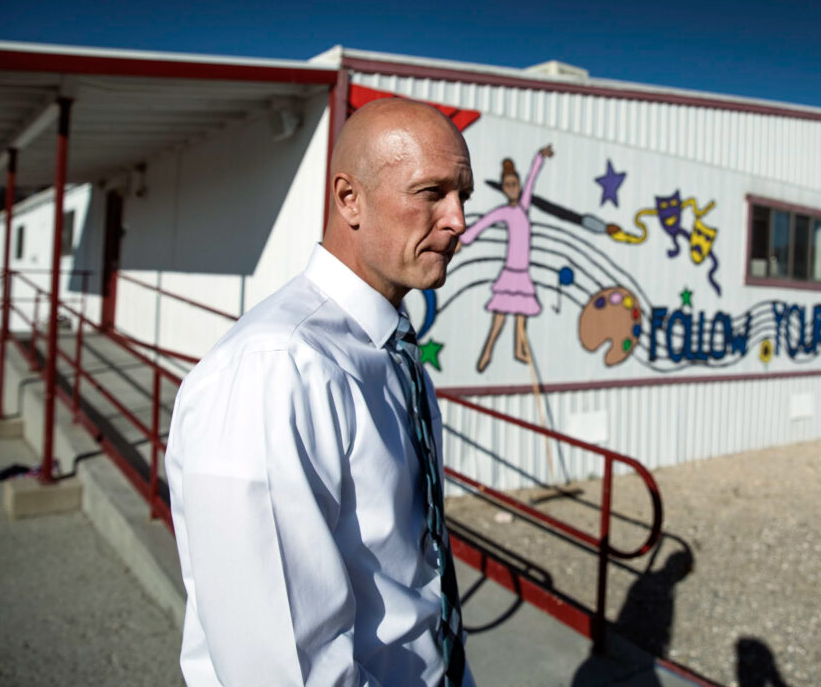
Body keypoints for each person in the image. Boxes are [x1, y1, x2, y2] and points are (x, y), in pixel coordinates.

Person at [165, 97, 475, 686]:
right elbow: (282, 666)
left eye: (463, 195)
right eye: (431, 192)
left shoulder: (390, 351)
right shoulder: (276, 371)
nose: (458, 220)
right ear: (348, 199)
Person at [458, 144, 553, 372]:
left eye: (515, 184)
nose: (513, 188)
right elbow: (483, 223)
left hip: (523, 272)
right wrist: (464, 240)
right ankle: (488, 349)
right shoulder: (505, 212)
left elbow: (532, 179)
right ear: (504, 188)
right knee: (499, 318)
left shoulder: (523, 207)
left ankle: (519, 349)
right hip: (511, 272)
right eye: (508, 185)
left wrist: (540, 157)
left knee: (522, 315)